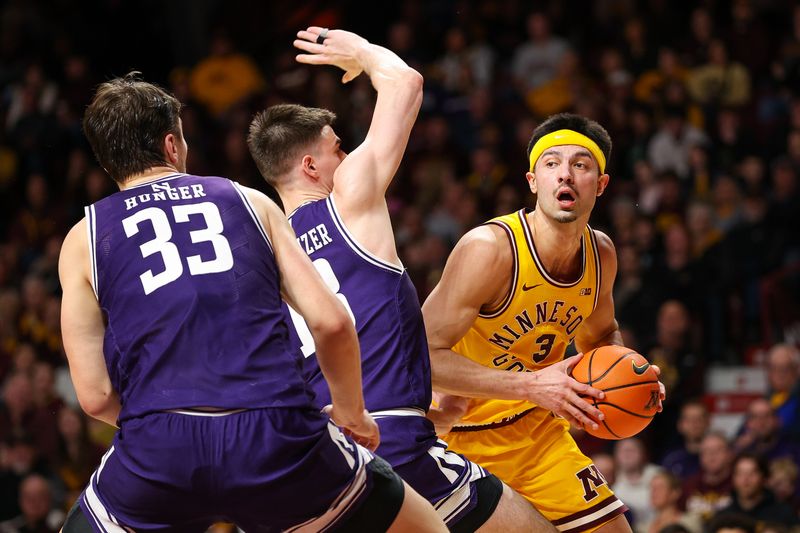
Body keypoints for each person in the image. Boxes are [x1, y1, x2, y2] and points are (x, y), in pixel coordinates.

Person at [58, 73, 446, 532]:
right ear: (171, 145)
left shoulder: (83, 237)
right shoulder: (245, 199)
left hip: (161, 447)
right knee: (425, 526)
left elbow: (95, 395)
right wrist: (350, 413)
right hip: (275, 432)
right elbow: (332, 324)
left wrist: (171, 422)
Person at [247, 27, 554, 532]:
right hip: (391, 445)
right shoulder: (344, 200)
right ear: (310, 165)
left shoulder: (265, 262)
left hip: (318, 462)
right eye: (338, 149)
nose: (347, 159)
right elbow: (406, 83)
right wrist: (363, 54)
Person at [422, 112, 665, 531]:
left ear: (600, 185)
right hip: (452, 432)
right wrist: (531, 386)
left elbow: (601, 335)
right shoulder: (490, 249)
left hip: (535, 431)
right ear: (533, 181)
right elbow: (419, 355)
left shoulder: (601, 253)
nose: (565, 175)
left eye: (580, 165)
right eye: (551, 164)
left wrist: (631, 373)